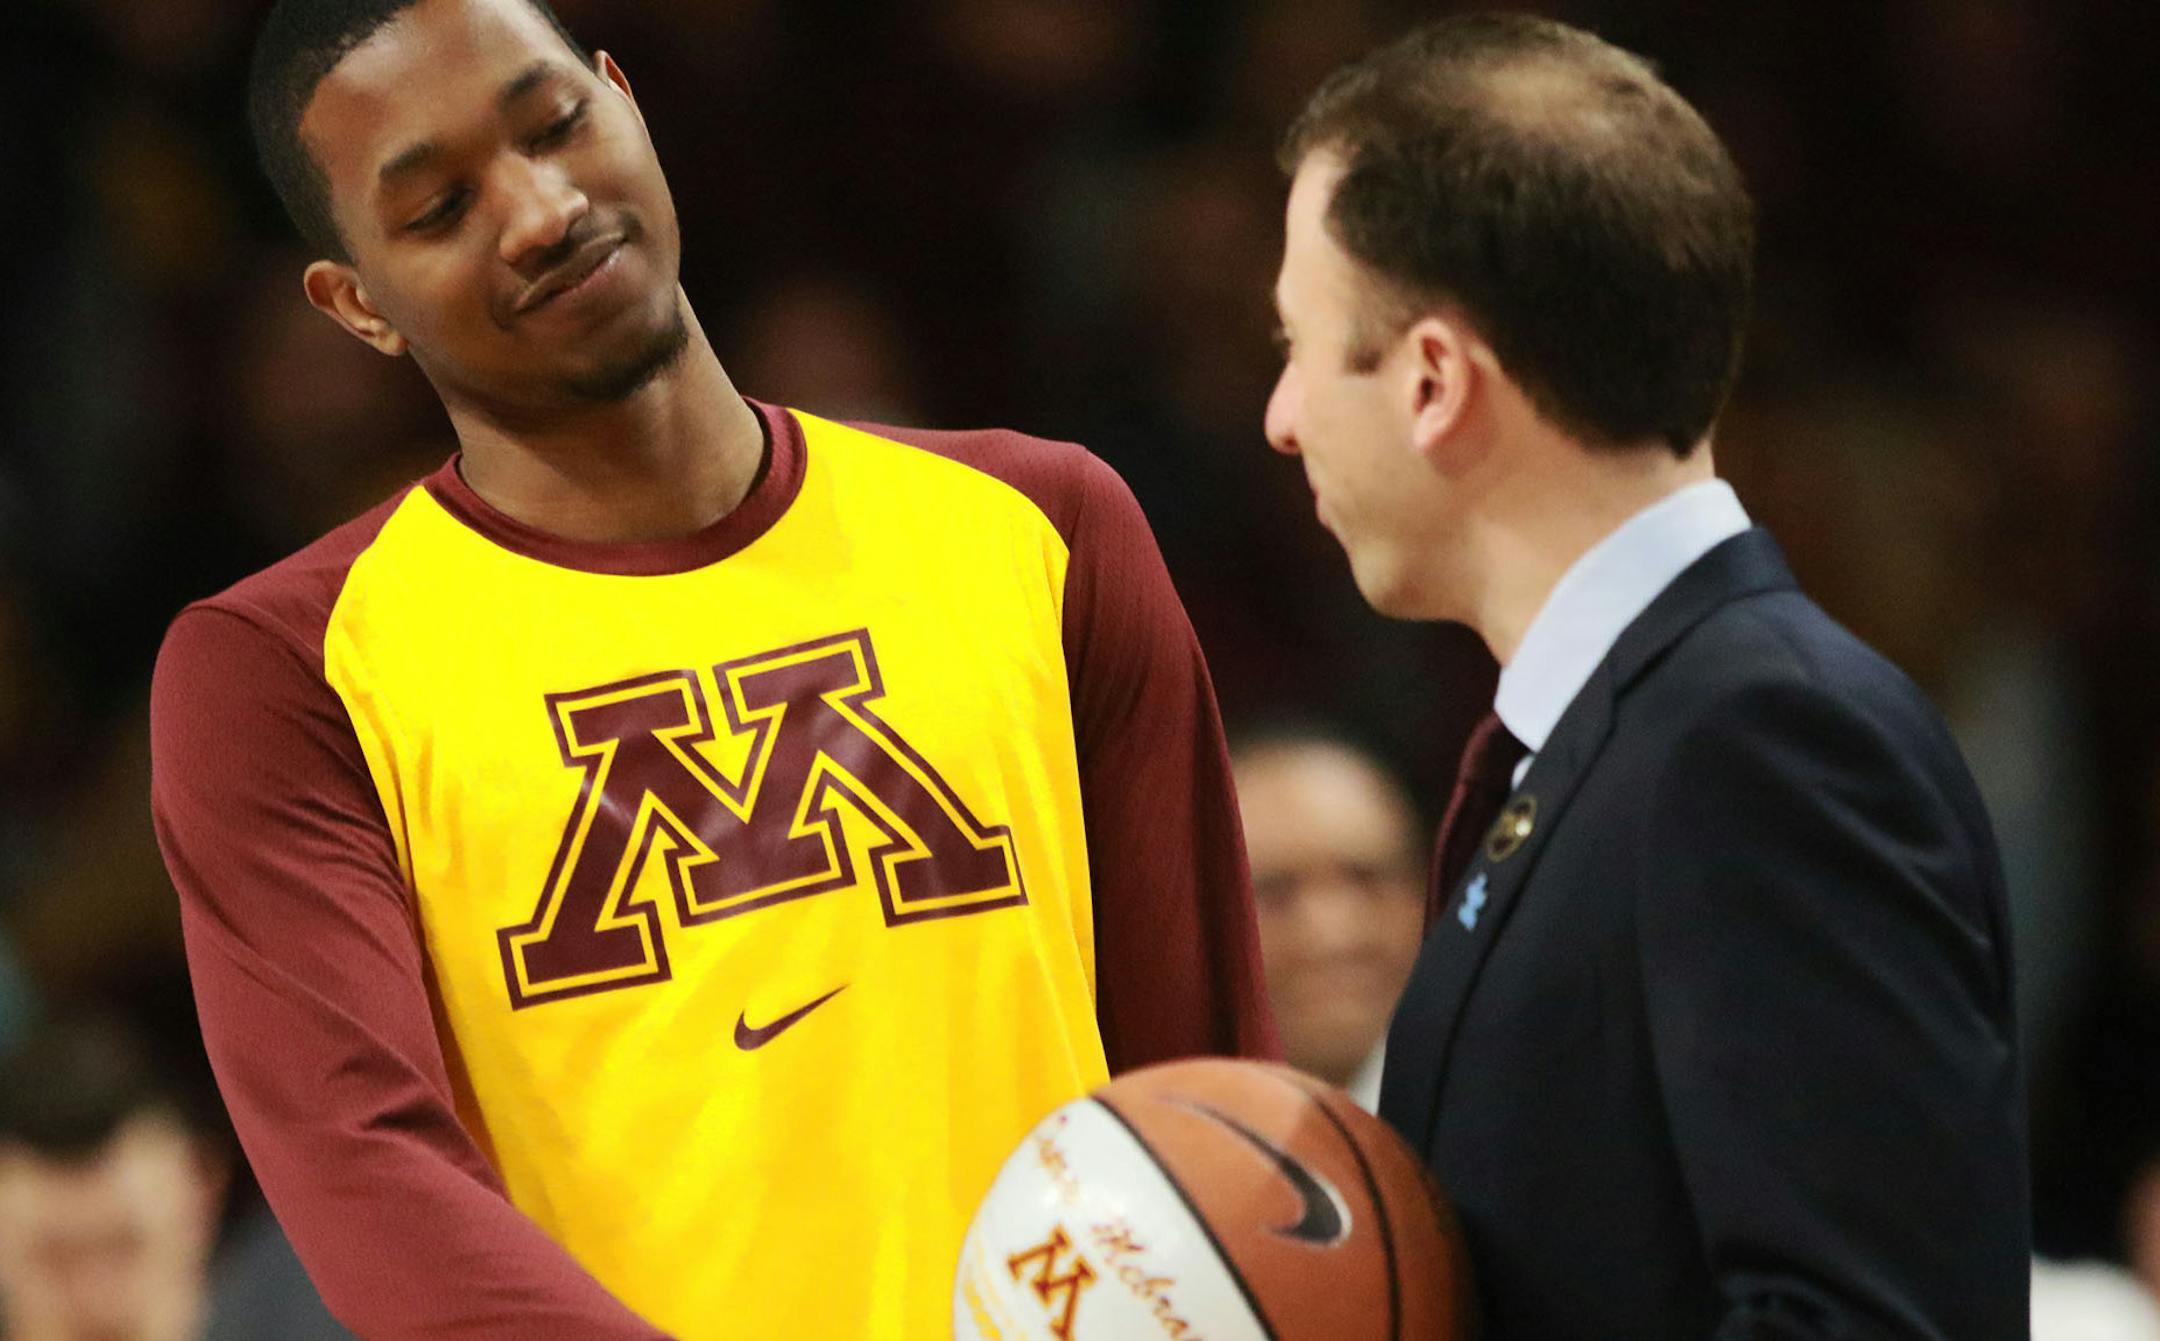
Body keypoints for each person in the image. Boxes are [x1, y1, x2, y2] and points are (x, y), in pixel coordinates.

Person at [146, 0, 1277, 1336]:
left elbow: (1198, 1092)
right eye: (440, 209)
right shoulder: (284, 677)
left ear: (627, 98)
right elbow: (370, 1172)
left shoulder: (1047, 523)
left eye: (557, 125)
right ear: (355, 306)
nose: (540, 209)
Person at [1262, 15, 2027, 1339]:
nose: (1280, 417)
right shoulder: (1628, 740)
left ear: (1434, 380)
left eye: (1300, 345)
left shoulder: (1763, 740)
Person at [0, 1016, 346, 1341]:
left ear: (205, 1183)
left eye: (124, 1249)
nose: (98, 1302)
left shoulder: (336, 1311)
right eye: (55, 1259)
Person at [1229, 724, 1424, 1109]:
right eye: (1274, 892)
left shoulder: (1521, 1116)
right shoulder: (1116, 1151)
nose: (1335, 933)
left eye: (1367, 878)